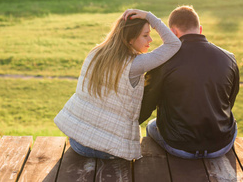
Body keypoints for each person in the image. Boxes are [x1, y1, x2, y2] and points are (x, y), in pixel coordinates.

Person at [54, 9, 181, 161]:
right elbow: (174, 44)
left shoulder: (95, 53)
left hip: (78, 143)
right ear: (130, 40)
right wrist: (149, 16)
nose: (150, 40)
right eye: (145, 35)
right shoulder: (136, 65)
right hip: (110, 150)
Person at [139, 5, 239, 159]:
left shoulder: (162, 61)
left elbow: (145, 106)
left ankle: (160, 167)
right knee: (232, 123)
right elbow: (229, 102)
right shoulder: (229, 58)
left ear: (172, 32)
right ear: (200, 29)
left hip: (179, 146)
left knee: (152, 125)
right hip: (221, 144)